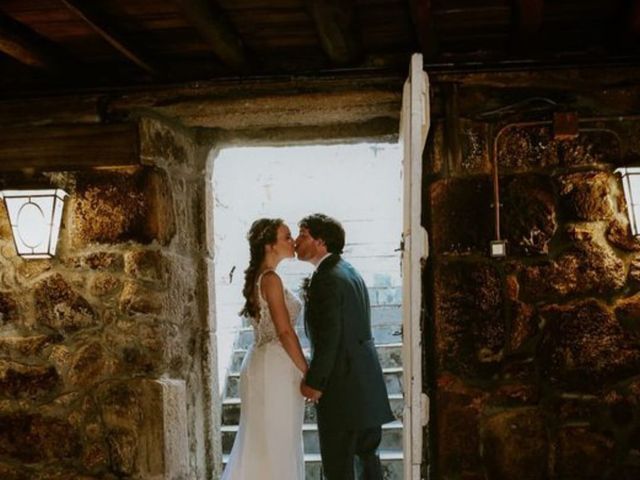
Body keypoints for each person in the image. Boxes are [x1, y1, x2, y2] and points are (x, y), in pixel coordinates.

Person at [296, 213, 395, 480]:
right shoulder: (348, 271)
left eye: (303, 235)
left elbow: (330, 337)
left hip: (343, 388)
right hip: (365, 386)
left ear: (321, 242)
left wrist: (315, 382)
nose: (296, 242)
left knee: (339, 467)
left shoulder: (327, 278)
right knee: (367, 464)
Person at [222, 218, 307, 480]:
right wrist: (308, 369)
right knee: (277, 440)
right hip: (275, 365)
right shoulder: (270, 279)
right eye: (286, 237)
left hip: (264, 361)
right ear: (270, 245)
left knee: (265, 441)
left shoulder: (261, 276)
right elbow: (284, 332)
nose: (292, 241)